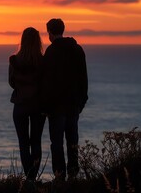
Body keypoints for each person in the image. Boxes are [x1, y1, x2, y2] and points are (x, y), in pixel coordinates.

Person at [41, 18, 88, 181]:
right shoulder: (77, 49)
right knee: (72, 141)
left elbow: (47, 81)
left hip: (56, 106)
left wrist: (45, 106)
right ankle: (74, 174)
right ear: (62, 30)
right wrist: (82, 101)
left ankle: (60, 175)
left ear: (50, 33)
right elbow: (84, 78)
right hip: (74, 104)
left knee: (57, 143)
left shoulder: (51, 52)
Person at [8, 27, 46, 180]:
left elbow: (11, 82)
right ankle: (33, 177)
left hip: (20, 105)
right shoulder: (43, 61)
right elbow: (46, 84)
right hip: (38, 106)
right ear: (38, 42)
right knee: (36, 142)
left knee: (23, 143)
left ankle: (29, 179)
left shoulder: (14, 60)